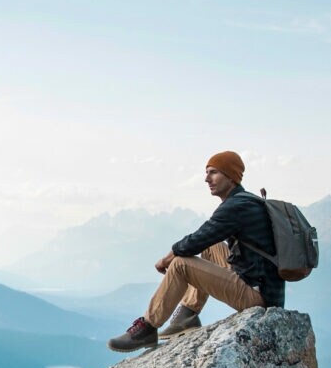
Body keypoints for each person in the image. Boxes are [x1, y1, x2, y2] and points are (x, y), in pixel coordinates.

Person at [107, 151, 285, 353]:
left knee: (181, 263)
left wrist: (167, 258)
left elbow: (197, 239)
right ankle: (187, 316)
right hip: (259, 284)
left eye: (213, 172)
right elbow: (205, 240)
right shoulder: (246, 201)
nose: (206, 179)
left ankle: (148, 327)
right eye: (206, 173)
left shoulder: (236, 207)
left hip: (258, 297)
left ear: (231, 176)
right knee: (211, 247)